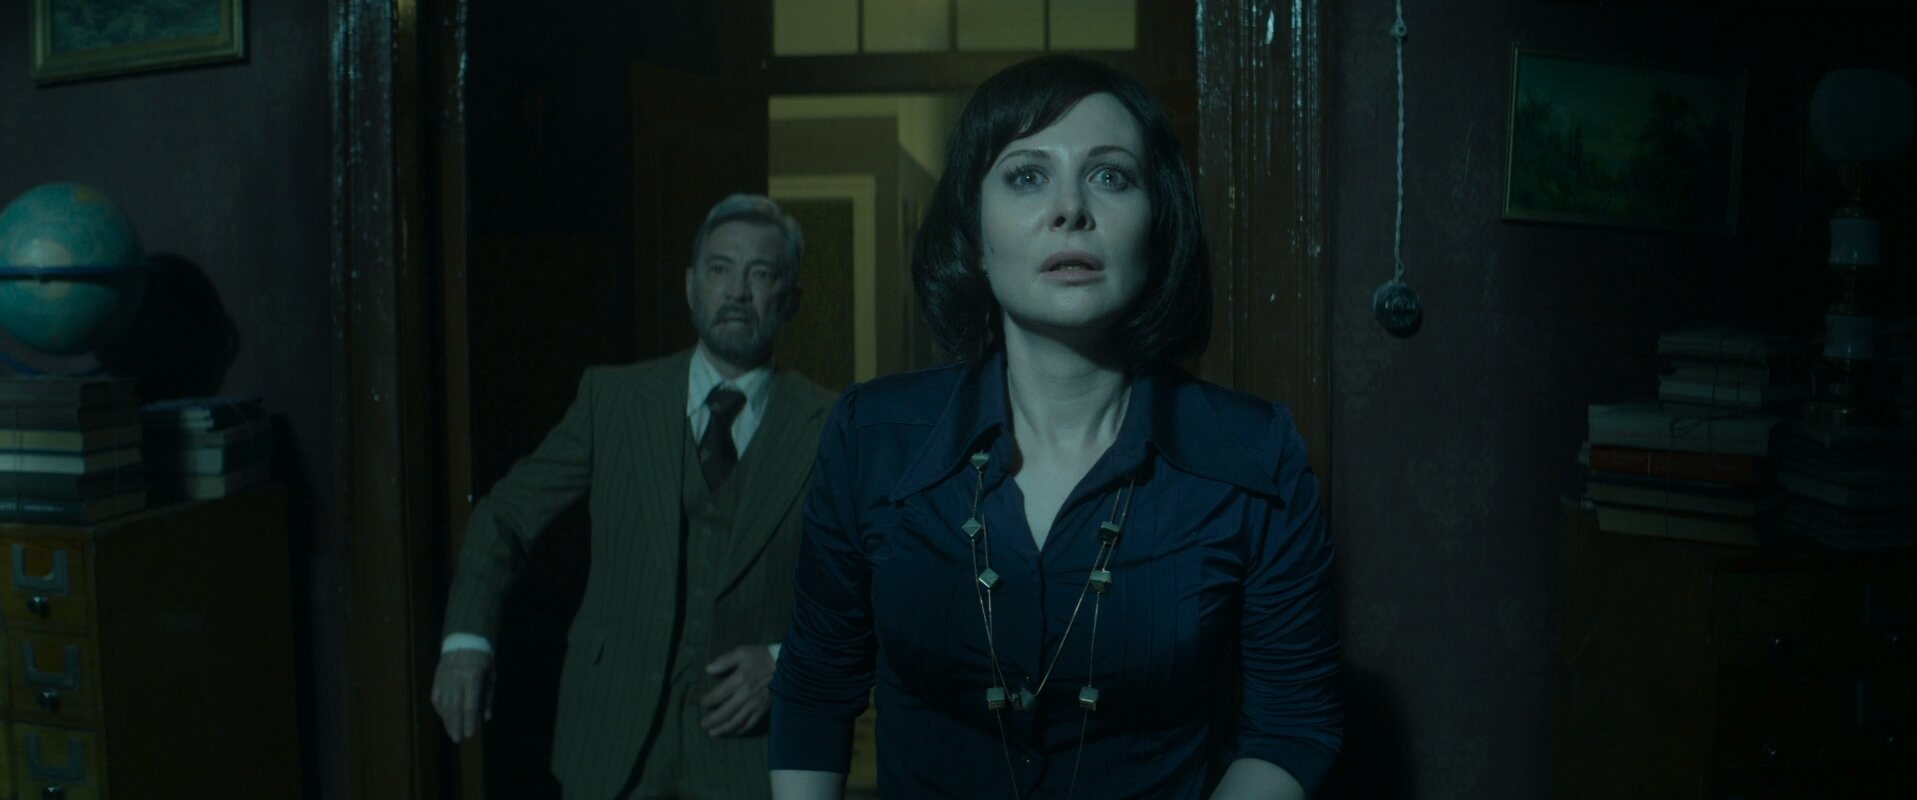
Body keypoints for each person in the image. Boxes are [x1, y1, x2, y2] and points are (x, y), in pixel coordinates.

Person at [766, 56, 1342, 799]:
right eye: (1027, 176)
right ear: (974, 234)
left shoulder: (1255, 453)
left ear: (1158, 227)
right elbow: (815, 689)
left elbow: (1293, 724)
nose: (1070, 208)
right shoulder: (870, 436)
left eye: (1110, 176)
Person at [432, 193, 838, 799]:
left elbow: (875, 582)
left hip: (750, 758)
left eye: (761, 274)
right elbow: (506, 516)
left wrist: (789, 660)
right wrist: (466, 641)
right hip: (611, 740)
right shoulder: (614, 401)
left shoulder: (831, 425)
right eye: (720, 269)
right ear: (691, 285)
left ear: (792, 301)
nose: (736, 291)